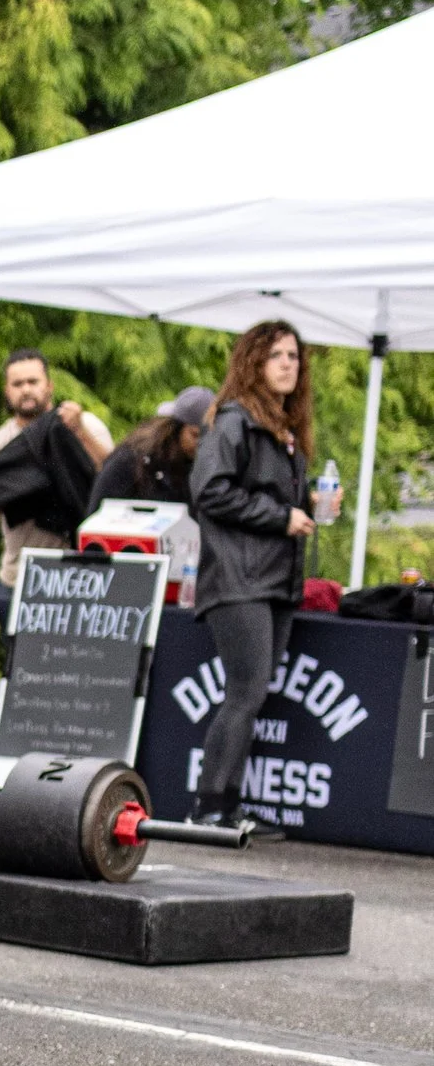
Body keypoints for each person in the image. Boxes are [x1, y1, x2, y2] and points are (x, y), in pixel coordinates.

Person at [185, 319, 337, 824]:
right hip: (238, 579)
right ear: (254, 363)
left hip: (273, 581)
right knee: (246, 691)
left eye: (295, 356)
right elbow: (208, 492)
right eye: (277, 356)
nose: (290, 364)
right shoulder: (233, 421)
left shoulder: (283, 430)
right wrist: (280, 516)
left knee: (251, 692)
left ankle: (228, 807)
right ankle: (210, 807)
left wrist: (309, 499)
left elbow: (262, 493)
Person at [0, 351, 115, 631]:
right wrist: (26, 485)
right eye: (17, 384)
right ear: (6, 391)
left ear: (49, 385)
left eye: (33, 381)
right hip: (18, 578)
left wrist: (79, 431)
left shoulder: (85, 425)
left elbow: (115, 479)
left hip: (81, 577)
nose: (26, 390)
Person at [92, 386, 214, 508]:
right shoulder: (131, 459)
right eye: (195, 435)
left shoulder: (200, 464)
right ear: (176, 429)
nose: (202, 444)